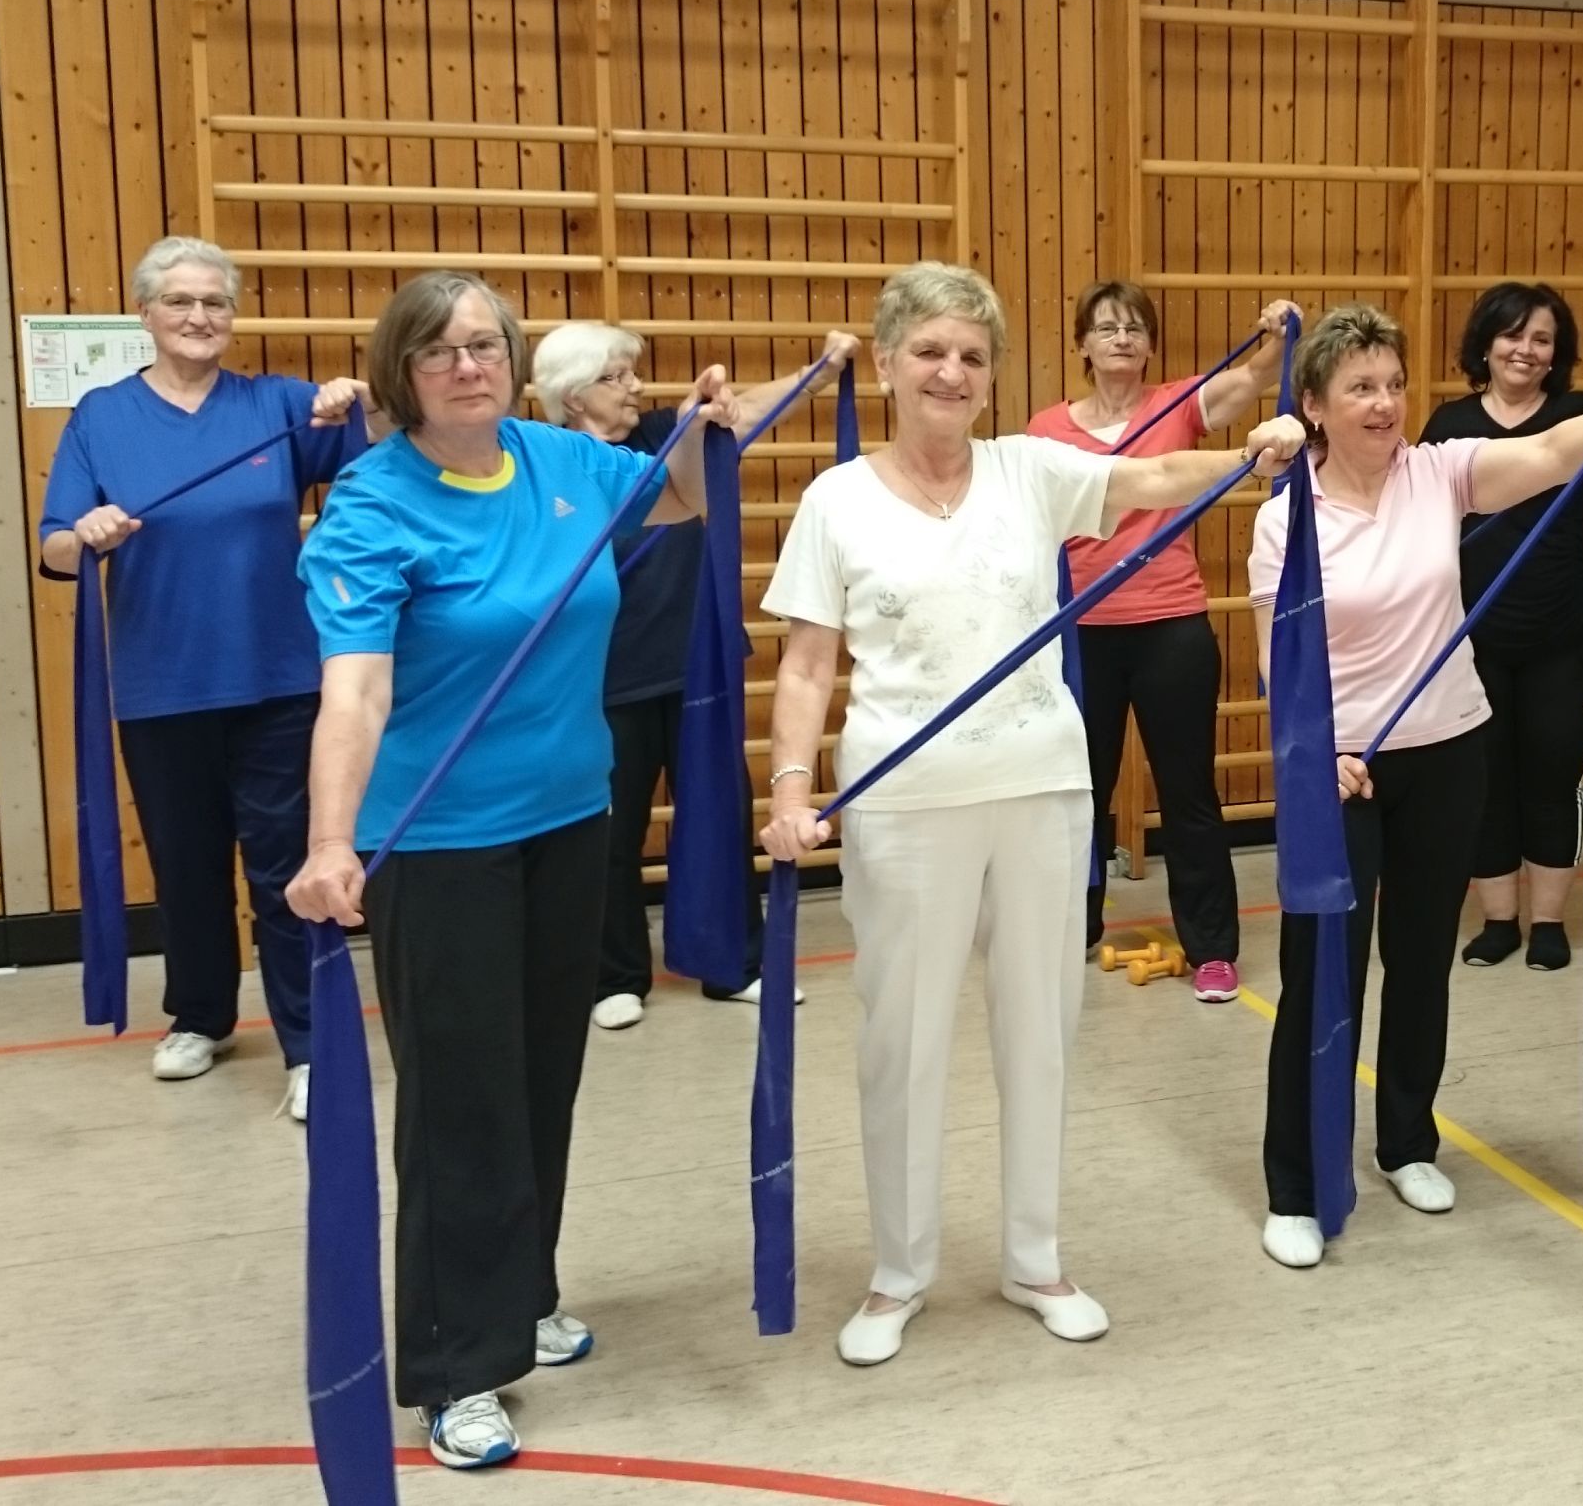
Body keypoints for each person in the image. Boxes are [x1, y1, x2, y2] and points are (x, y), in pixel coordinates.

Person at [758, 262, 1306, 1368]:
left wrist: (1253, 457)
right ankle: (898, 1271)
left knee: (1040, 1032)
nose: (950, 372)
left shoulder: (1030, 469)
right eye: (929, 352)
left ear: (992, 373)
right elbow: (808, 665)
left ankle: (1034, 1257)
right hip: (905, 805)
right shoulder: (836, 500)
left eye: (971, 355)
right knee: (901, 1041)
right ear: (889, 362)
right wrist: (788, 788)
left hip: (1043, 790)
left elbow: (1154, 476)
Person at [285, 270, 744, 1470]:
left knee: (542, 1076)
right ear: (401, 372)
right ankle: (454, 1364)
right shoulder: (372, 506)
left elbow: (682, 499)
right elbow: (354, 693)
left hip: (569, 819)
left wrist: (709, 428)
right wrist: (331, 843)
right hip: (440, 843)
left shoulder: (562, 461)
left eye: (485, 345)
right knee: (462, 1102)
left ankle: (519, 1292)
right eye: (439, 351)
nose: (467, 366)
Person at [1247, 305, 1583, 1271]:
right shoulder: (1285, 517)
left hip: (1447, 750)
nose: (1383, 403)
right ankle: (1295, 1183)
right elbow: (1281, 658)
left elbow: (1554, 451)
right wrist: (1315, 753)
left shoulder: (1439, 472)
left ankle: (1407, 1142)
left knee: (1419, 960)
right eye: (1360, 387)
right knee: (1322, 972)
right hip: (1340, 771)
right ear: (1313, 405)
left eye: (1393, 384)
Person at [37, 234, 377, 1122]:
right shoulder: (101, 416)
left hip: (280, 682)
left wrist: (352, 401)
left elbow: (377, 455)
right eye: (180, 301)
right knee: (186, 869)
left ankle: (310, 1046)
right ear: (146, 314)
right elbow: (55, 544)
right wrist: (87, 534)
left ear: (233, 315)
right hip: (161, 686)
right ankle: (201, 1017)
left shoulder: (279, 403)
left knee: (286, 869)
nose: (199, 317)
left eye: (215, 302)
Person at [534, 320, 855, 1030]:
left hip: (695, 665)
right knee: (609, 833)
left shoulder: (661, 437)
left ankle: (733, 963)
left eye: (632, 372)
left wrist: (817, 375)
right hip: (600, 679)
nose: (634, 386)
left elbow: (736, 410)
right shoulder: (551, 461)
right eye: (616, 376)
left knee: (719, 815)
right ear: (573, 395)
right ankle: (613, 975)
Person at [1025, 285, 1301, 1003]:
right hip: (1079, 636)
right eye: (1105, 327)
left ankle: (1212, 949)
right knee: (1076, 795)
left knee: (1189, 795)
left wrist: (1278, 328)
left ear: (1149, 344)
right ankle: (1071, 931)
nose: (1120, 337)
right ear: (1082, 346)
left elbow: (1255, 375)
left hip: (1171, 628)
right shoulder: (1045, 428)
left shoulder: (1177, 405)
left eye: (1134, 328)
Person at [1419, 281, 1583, 973]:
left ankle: (1547, 921)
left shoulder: (1582, 416)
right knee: (1483, 781)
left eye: (1541, 338)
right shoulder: (1449, 423)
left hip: (1564, 635)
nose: (1526, 349)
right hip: (1473, 638)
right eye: (1512, 335)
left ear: (1557, 352)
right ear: (1485, 344)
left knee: (1552, 779)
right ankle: (1497, 920)